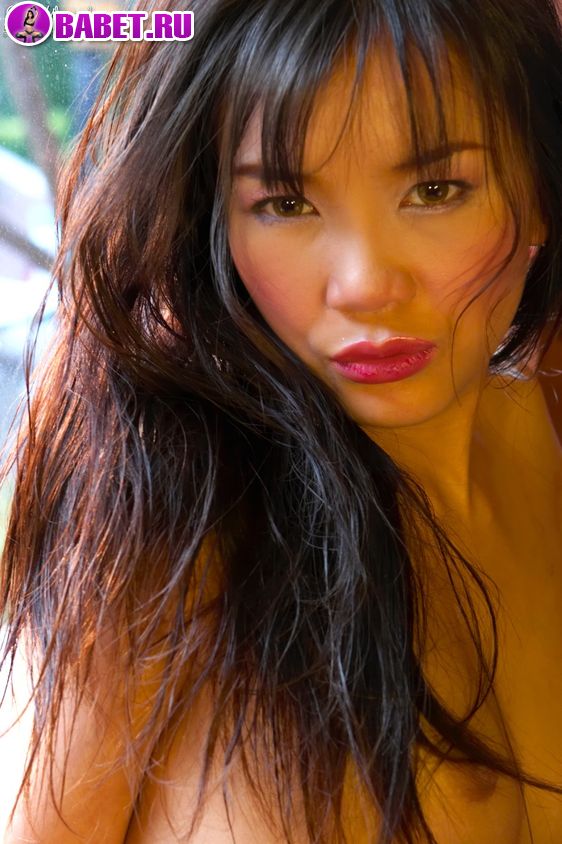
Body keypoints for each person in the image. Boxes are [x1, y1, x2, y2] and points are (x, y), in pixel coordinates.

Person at [0, 0, 561, 841]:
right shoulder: (175, 509)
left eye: (435, 190)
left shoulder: (542, 438)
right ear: (219, 222)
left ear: (541, 190)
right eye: (287, 204)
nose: (364, 284)